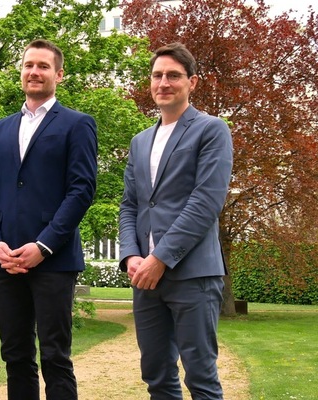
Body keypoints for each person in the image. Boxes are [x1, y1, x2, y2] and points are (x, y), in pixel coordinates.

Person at [0, 39, 98, 400]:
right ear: (21, 73)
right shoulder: (0, 128)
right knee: (15, 356)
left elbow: (81, 191)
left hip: (54, 261)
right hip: (5, 261)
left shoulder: (78, 124)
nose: (34, 71)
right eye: (29, 65)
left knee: (55, 357)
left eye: (43, 66)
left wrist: (43, 245)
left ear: (59, 74)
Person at [119, 42, 232, 399]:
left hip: (192, 275)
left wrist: (160, 258)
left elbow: (205, 202)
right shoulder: (139, 141)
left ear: (192, 82)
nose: (163, 82)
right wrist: (131, 256)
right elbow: (130, 206)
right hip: (145, 279)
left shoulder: (211, 130)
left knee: (200, 377)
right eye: (157, 75)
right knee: (156, 376)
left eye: (173, 75)